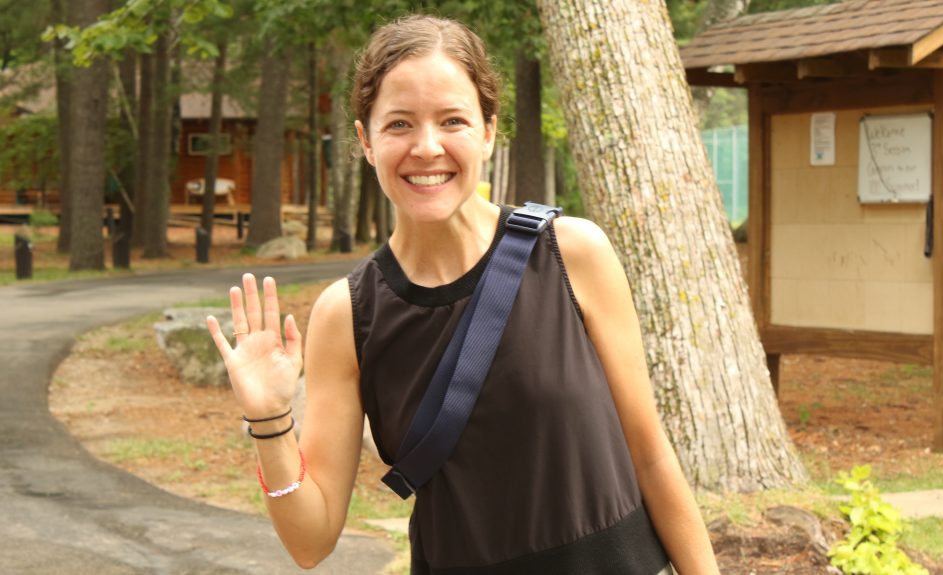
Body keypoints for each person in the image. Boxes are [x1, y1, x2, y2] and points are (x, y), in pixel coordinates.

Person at [207, 14, 719, 575]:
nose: (427, 148)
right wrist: (270, 418)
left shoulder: (572, 255)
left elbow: (650, 455)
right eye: (399, 124)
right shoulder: (348, 315)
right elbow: (312, 541)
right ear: (365, 141)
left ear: (488, 131)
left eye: (452, 120)